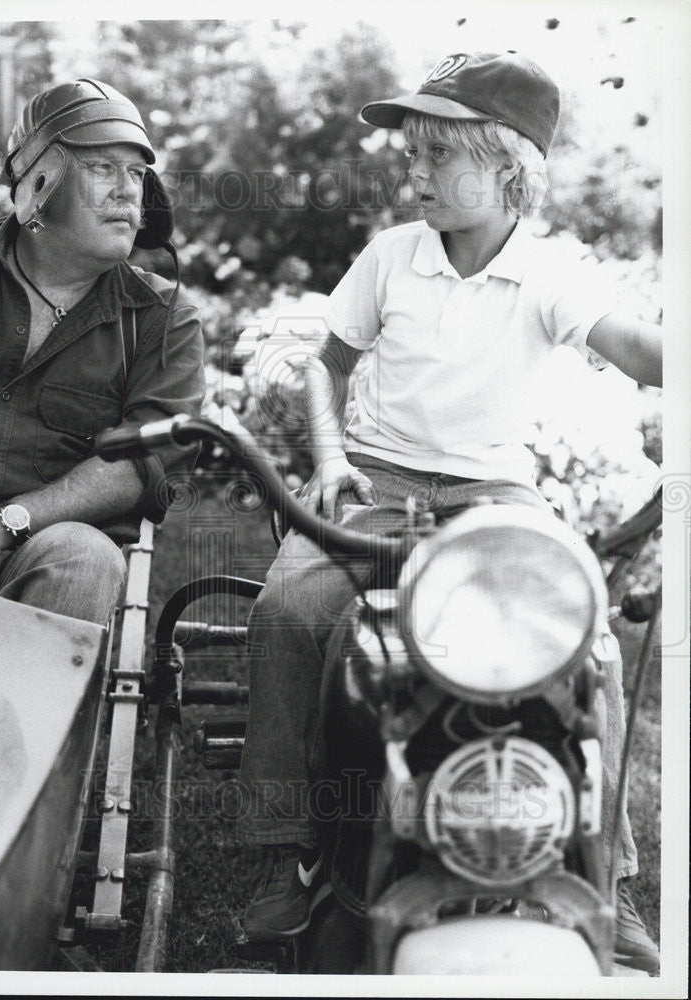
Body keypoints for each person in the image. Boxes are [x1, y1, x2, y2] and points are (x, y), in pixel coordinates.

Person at [238, 51, 661, 973]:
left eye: (436, 155)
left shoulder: (550, 274)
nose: (413, 173)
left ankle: (608, 873)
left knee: (585, 643)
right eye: (412, 154)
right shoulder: (394, 254)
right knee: (288, 612)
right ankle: (285, 851)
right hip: (379, 482)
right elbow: (329, 362)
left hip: (490, 494)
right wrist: (331, 457)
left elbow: (635, 346)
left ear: (510, 168)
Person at [0, 79, 205, 625]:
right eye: (103, 168)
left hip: (34, 552)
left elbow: (146, 462)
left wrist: (2, 524)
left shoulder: (163, 319)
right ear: (42, 179)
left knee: (83, 556)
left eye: (136, 174)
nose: (128, 192)